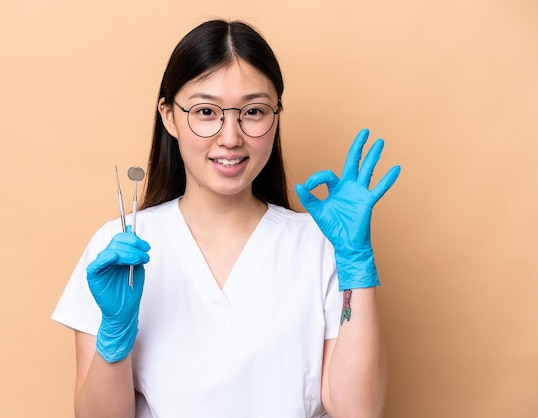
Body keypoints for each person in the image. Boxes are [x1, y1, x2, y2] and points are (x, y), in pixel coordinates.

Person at [52, 19, 400, 418]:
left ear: (276, 115)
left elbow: (359, 411)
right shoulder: (118, 249)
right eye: (205, 111)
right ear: (168, 116)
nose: (230, 136)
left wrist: (356, 263)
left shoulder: (323, 245)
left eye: (253, 111)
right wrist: (114, 336)